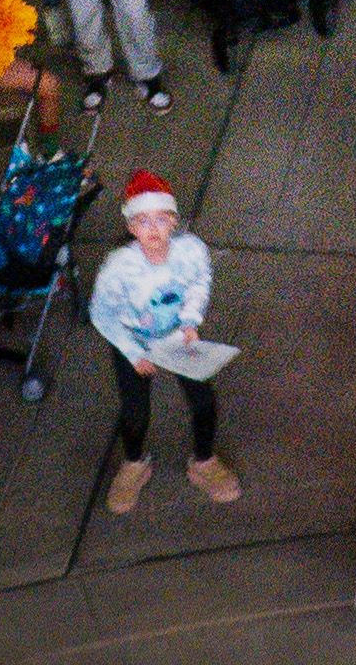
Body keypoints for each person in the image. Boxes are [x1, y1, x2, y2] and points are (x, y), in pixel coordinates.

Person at [87, 172, 240, 516]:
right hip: (134, 338)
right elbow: (102, 313)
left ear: (174, 220)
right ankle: (134, 463)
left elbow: (199, 282)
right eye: (143, 221)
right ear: (130, 227)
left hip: (175, 336)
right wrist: (133, 352)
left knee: (203, 402)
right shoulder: (118, 268)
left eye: (160, 219)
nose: (153, 229)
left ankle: (204, 461)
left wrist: (190, 320)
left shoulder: (191, 251)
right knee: (135, 413)